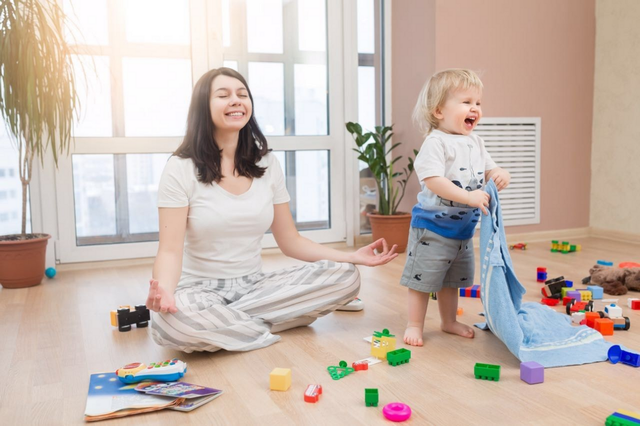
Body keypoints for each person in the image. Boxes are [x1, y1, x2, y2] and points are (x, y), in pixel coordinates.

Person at [146, 67, 398, 353]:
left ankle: (231, 327)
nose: (236, 100)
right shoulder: (180, 168)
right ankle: (277, 319)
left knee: (346, 276)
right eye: (223, 95)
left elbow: (290, 241)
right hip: (199, 291)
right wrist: (166, 291)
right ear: (203, 106)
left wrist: (350, 256)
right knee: (174, 324)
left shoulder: (267, 164)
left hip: (256, 285)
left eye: (242, 94)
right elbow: (169, 250)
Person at [401, 69, 511, 346]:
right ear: (439, 110)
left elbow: (489, 168)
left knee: (452, 279)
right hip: (432, 228)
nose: (474, 108)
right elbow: (433, 181)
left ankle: (448, 321)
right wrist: (468, 197)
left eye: (478, 103)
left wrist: (499, 173)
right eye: (466, 102)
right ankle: (415, 324)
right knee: (423, 279)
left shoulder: (476, 142)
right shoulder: (435, 143)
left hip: (462, 230)